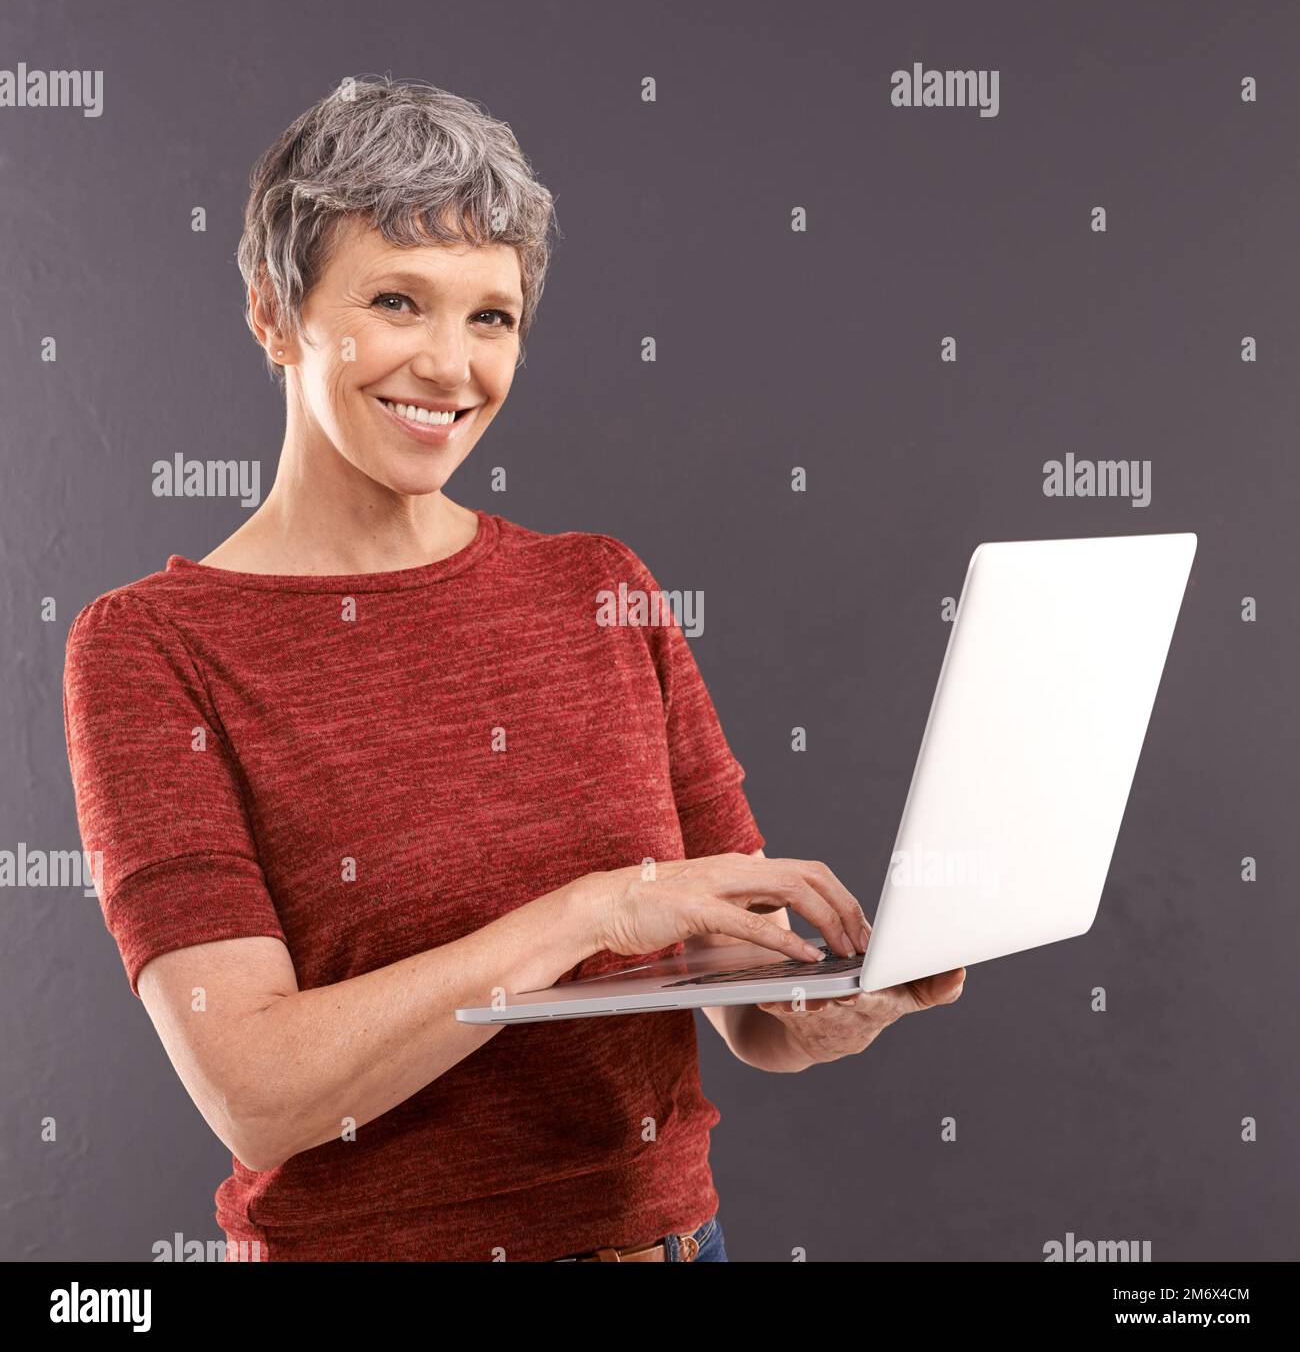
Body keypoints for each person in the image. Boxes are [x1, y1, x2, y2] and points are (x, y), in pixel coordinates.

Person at [62, 77, 964, 1263]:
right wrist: (593, 909)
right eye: (398, 302)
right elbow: (258, 1091)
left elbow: (745, 1003)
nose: (450, 365)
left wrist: (835, 1001)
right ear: (275, 317)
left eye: (491, 317)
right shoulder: (152, 648)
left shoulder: (601, 587)